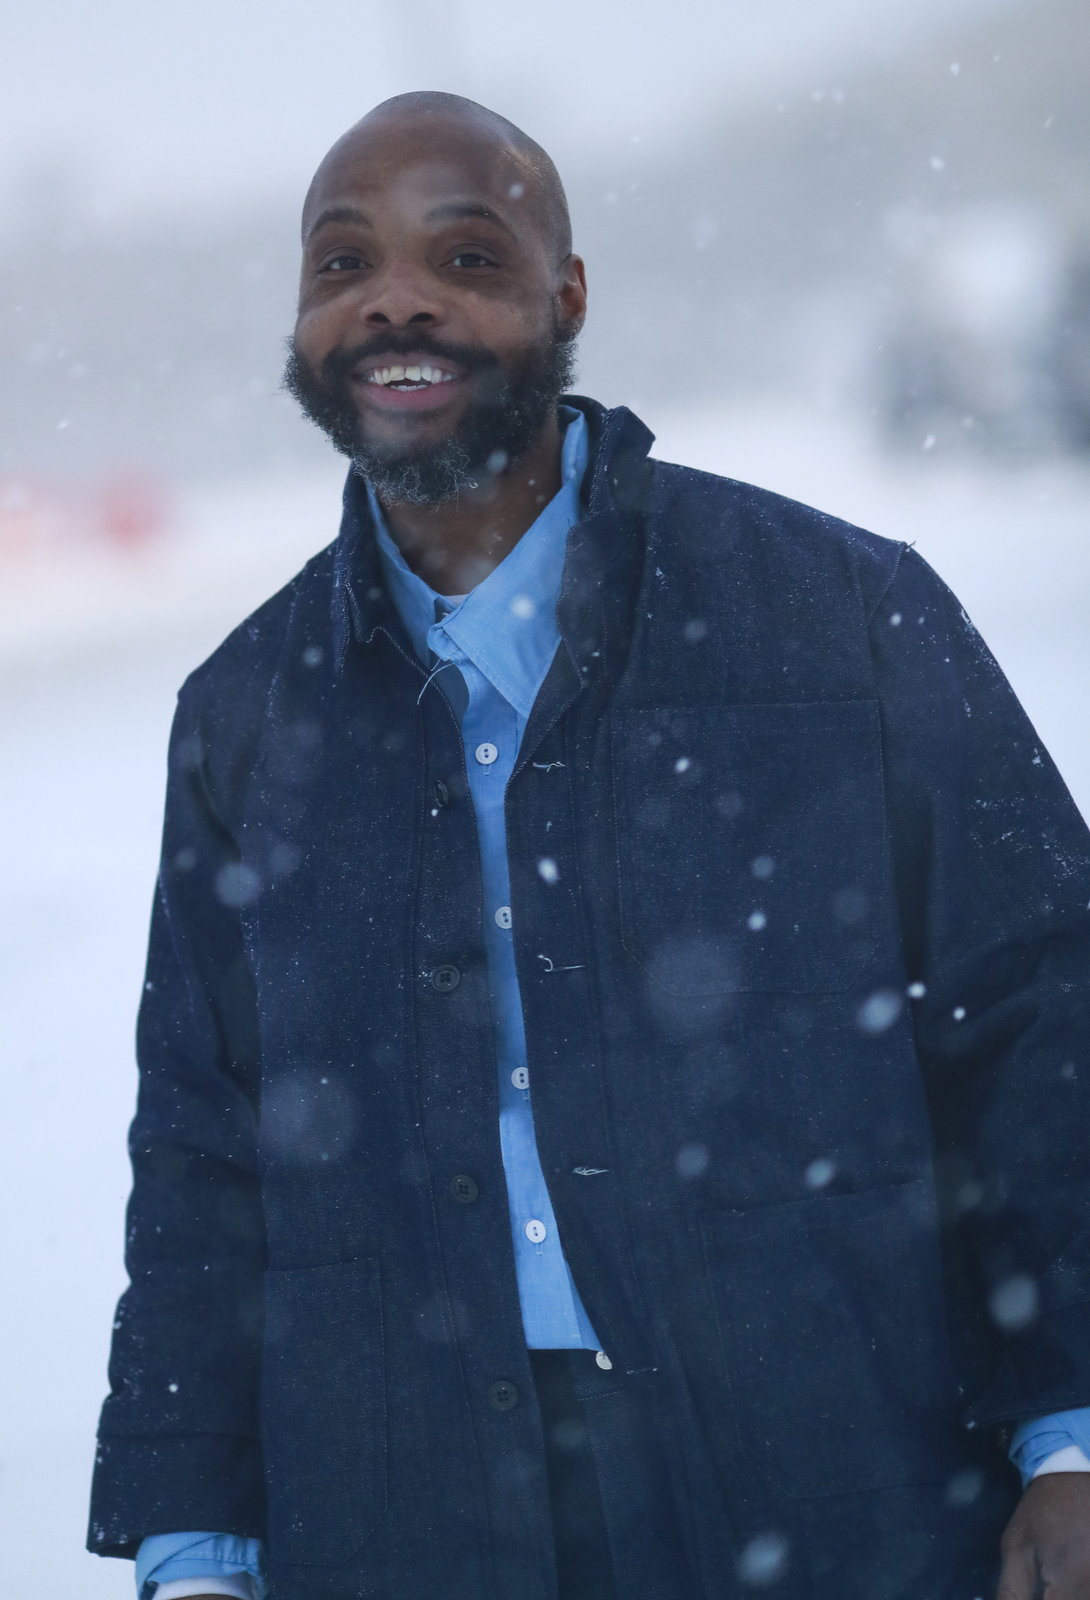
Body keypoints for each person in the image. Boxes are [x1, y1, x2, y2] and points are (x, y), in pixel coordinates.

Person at [88, 92, 1090, 1600]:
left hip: (830, 1475)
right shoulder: (243, 715)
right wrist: (193, 1548)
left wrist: (1069, 1440)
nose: (395, 299)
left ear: (565, 294)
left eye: (466, 254)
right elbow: (204, 1149)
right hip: (407, 1508)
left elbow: (1041, 1025)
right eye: (340, 262)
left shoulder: (844, 619)